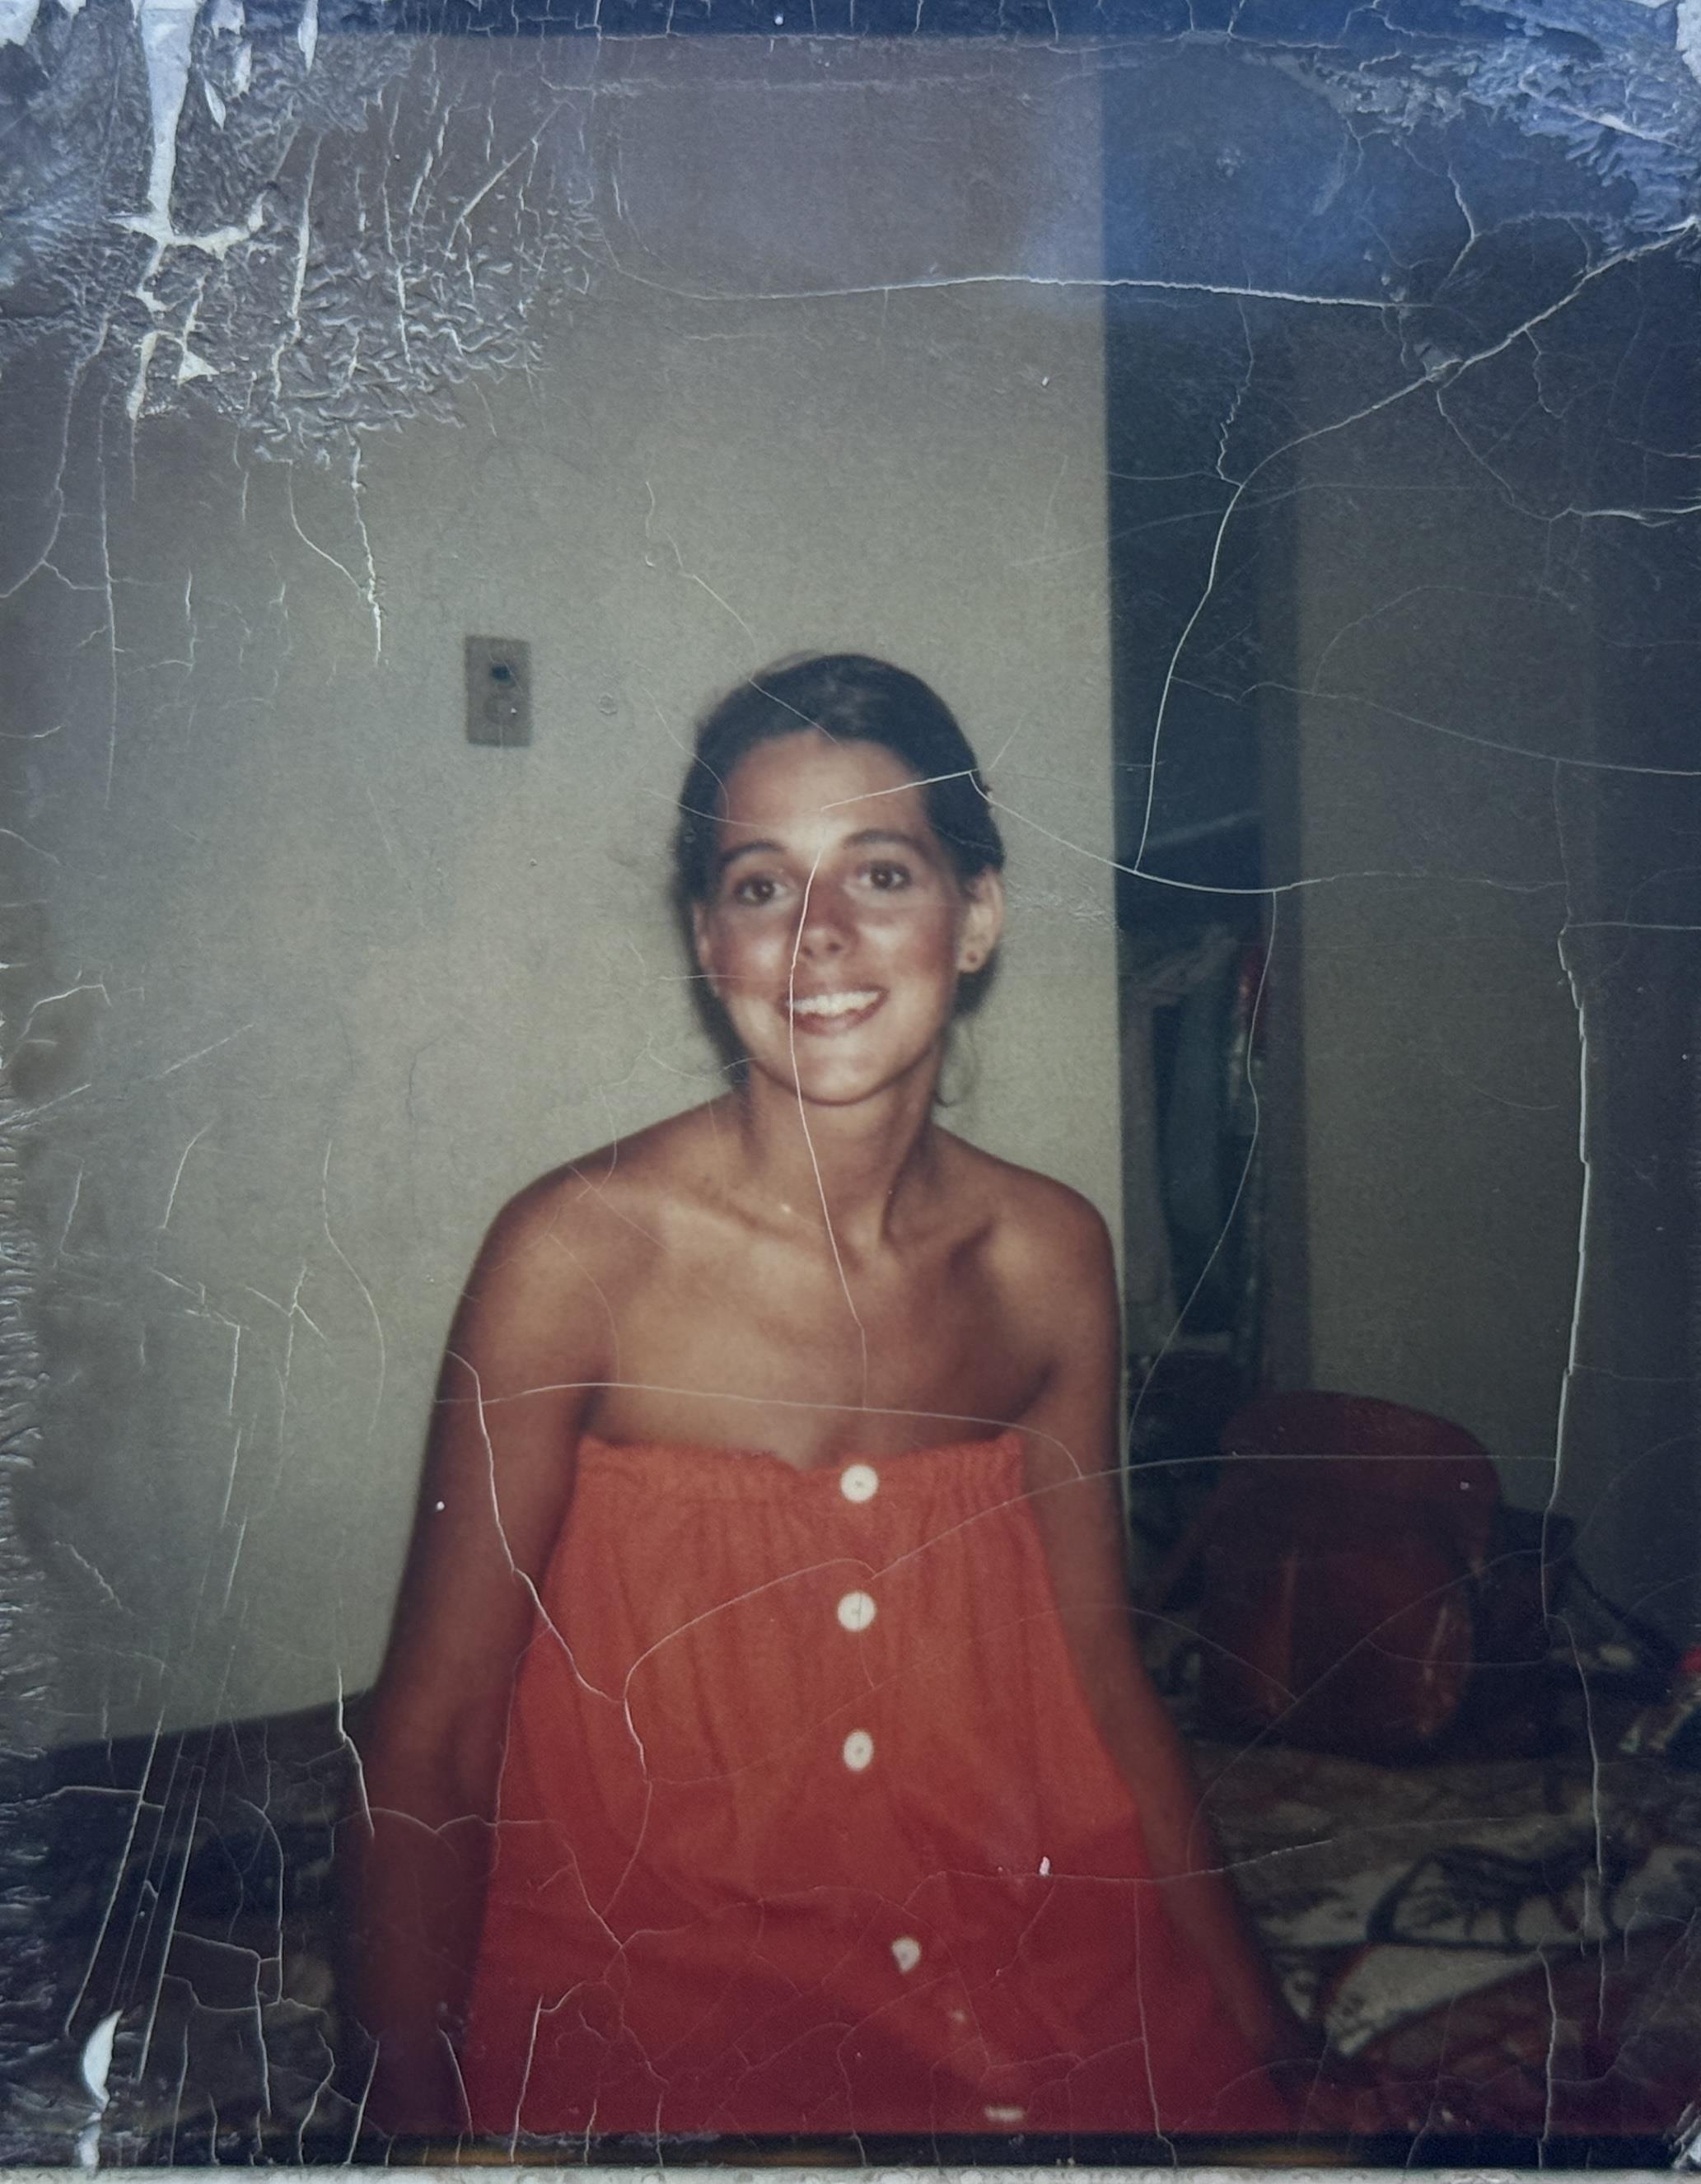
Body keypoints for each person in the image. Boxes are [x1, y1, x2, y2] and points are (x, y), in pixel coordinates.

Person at [343, 653, 1306, 2142]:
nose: (820, 940)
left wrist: (1271, 2050)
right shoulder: (575, 1257)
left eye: (879, 871)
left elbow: (1104, 1685)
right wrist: (408, 2134)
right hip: (655, 1997)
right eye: (757, 886)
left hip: (1022, 1951)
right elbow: (433, 1737)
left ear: (973, 917)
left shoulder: (1048, 1256)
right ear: (704, 939)